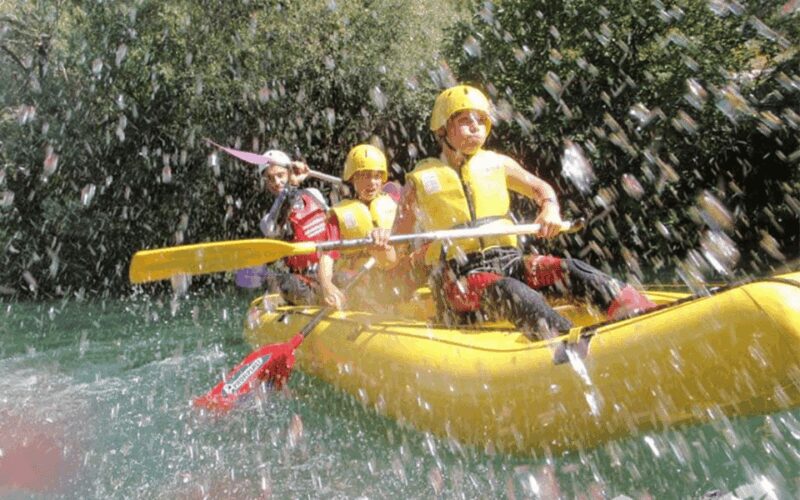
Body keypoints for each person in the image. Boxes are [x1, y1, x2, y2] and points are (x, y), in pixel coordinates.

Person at [388, 84, 656, 338]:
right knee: (513, 291)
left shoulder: (498, 163)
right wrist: (382, 244)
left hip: (509, 261)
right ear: (442, 129)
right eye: (465, 120)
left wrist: (549, 209)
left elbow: (541, 189)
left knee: (570, 269)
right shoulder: (418, 181)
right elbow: (395, 247)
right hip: (458, 279)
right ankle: (567, 343)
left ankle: (642, 314)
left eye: (481, 120)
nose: (475, 127)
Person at [235, 149, 337, 305]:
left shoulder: (313, 194)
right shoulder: (269, 220)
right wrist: (292, 186)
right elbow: (274, 226)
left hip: (331, 269)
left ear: (289, 173)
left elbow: (335, 224)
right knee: (279, 279)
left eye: (280, 175)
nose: (276, 182)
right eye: (270, 178)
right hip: (303, 284)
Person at [317, 144, 401, 310]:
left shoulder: (394, 206)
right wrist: (327, 285)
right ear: (353, 178)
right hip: (354, 279)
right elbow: (327, 255)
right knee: (343, 279)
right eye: (364, 176)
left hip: (390, 277)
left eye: (376, 176)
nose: (372, 183)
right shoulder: (339, 214)